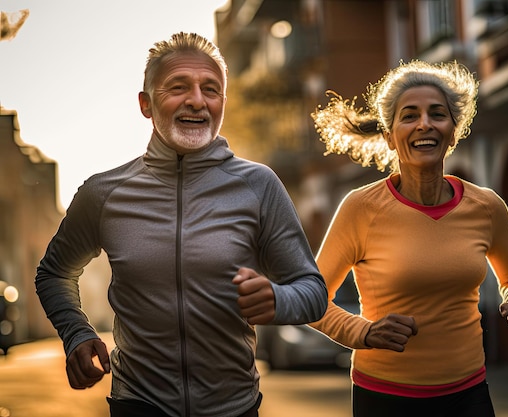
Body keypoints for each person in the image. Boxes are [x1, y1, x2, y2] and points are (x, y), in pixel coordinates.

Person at [35, 32, 327, 417]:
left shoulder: (258, 186)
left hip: (234, 408)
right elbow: (54, 272)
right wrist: (76, 333)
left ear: (223, 102)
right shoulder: (103, 193)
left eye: (211, 89)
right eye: (178, 87)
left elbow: (313, 291)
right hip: (138, 405)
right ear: (146, 103)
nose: (197, 100)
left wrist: (278, 300)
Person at [308, 59, 508, 417]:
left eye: (437, 114)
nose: (424, 124)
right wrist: (364, 333)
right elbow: (310, 299)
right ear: (389, 135)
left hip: (469, 395)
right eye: (409, 115)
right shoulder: (360, 208)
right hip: (384, 398)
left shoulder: (487, 206)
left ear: (454, 130)